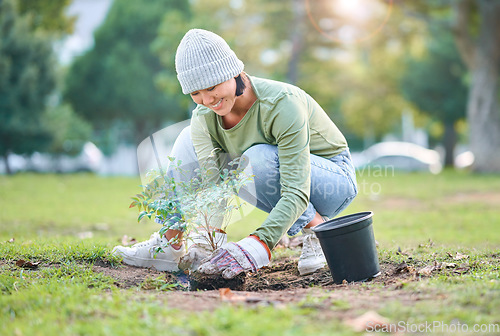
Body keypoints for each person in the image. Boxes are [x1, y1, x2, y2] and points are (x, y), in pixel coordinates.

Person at [113, 29, 357, 279]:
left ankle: (318, 230)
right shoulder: (205, 117)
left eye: (211, 87)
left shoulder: (283, 104)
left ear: (234, 73)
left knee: (257, 159)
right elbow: (212, 185)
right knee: (187, 139)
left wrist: (258, 244)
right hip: (270, 175)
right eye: (195, 93)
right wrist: (209, 238)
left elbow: (297, 190)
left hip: (332, 180)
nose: (208, 100)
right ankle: (170, 243)